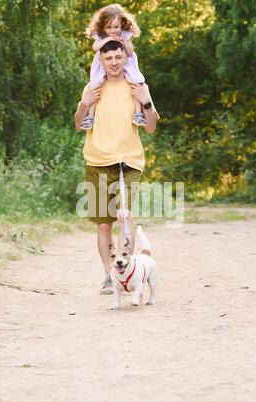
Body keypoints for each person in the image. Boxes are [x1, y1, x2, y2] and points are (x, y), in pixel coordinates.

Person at [74, 39, 158, 295]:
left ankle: (130, 273)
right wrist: (83, 103)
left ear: (125, 58)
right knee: (103, 225)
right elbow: (79, 124)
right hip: (98, 159)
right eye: (108, 58)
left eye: (118, 58)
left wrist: (145, 101)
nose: (113, 63)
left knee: (125, 215)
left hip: (129, 160)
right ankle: (110, 277)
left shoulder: (137, 86)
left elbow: (151, 126)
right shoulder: (93, 88)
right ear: (101, 60)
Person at [80, 3, 147, 130]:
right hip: (102, 63)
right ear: (103, 26)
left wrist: (124, 41)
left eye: (116, 27)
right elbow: (95, 48)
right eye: (109, 27)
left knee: (136, 82)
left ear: (121, 24)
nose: (113, 30)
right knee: (95, 84)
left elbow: (130, 51)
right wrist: (108, 39)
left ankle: (138, 113)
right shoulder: (101, 35)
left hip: (126, 62)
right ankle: (90, 117)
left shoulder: (125, 34)